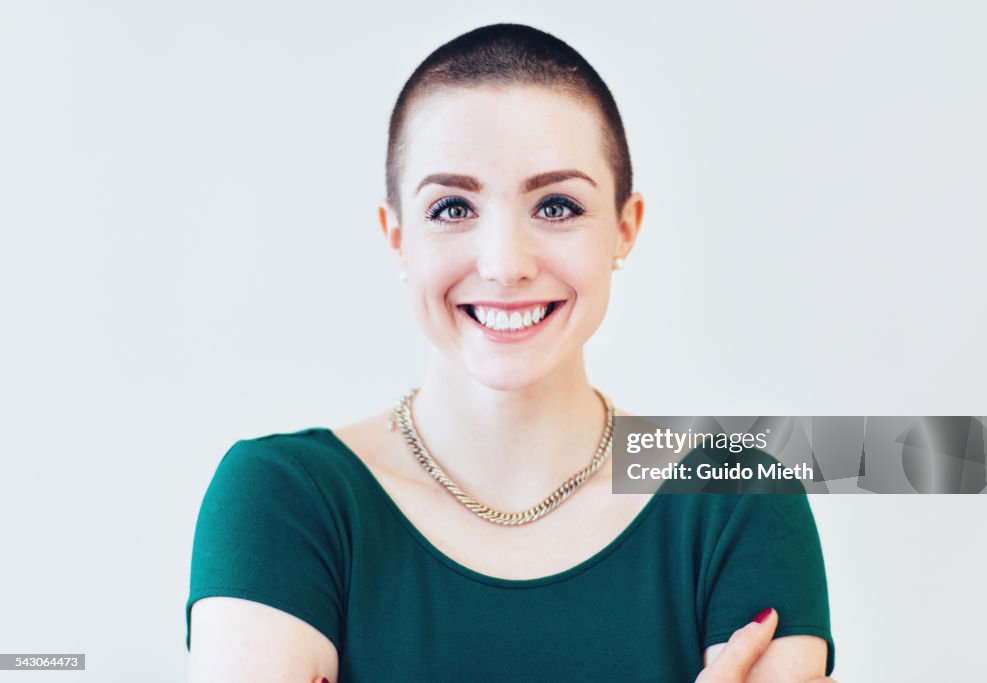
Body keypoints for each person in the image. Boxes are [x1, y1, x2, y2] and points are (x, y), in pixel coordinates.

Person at [185, 23, 836, 682]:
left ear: (625, 227)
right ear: (396, 237)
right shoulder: (285, 499)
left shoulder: (737, 499)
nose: (504, 264)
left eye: (556, 205)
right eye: (450, 208)